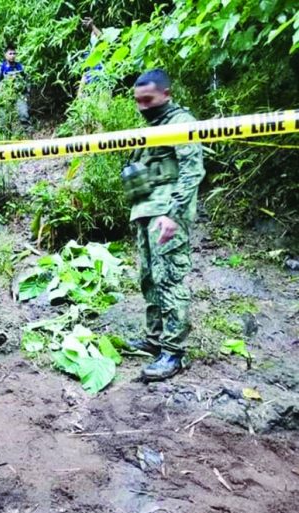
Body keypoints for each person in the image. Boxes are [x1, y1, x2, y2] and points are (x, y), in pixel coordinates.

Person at [122, 69, 206, 381]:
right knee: (149, 278)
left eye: (148, 100)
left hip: (167, 214)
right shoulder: (154, 127)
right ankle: (154, 339)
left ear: (166, 94)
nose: (143, 106)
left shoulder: (181, 122)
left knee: (169, 279)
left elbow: (192, 170)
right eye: (138, 101)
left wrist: (174, 213)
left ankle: (173, 353)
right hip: (146, 211)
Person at [0, 44, 31, 131]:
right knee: (4, 117)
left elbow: (27, 79)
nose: (12, 56)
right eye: (10, 53)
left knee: (24, 113)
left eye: (14, 53)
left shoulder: (20, 66)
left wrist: (27, 92)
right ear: (5, 55)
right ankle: (5, 135)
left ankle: (29, 134)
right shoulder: (2, 67)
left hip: (19, 94)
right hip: (6, 95)